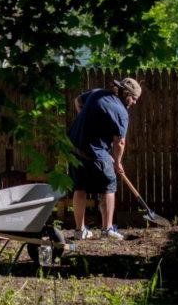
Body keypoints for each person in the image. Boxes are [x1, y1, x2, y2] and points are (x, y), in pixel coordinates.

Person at [68, 77, 142, 240]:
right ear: (128, 95)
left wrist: (86, 123)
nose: (135, 103)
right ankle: (107, 229)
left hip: (74, 146)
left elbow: (77, 101)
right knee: (109, 184)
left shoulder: (98, 93)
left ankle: (79, 231)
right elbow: (120, 142)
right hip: (94, 150)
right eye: (135, 99)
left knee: (80, 187)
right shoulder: (122, 112)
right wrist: (118, 162)